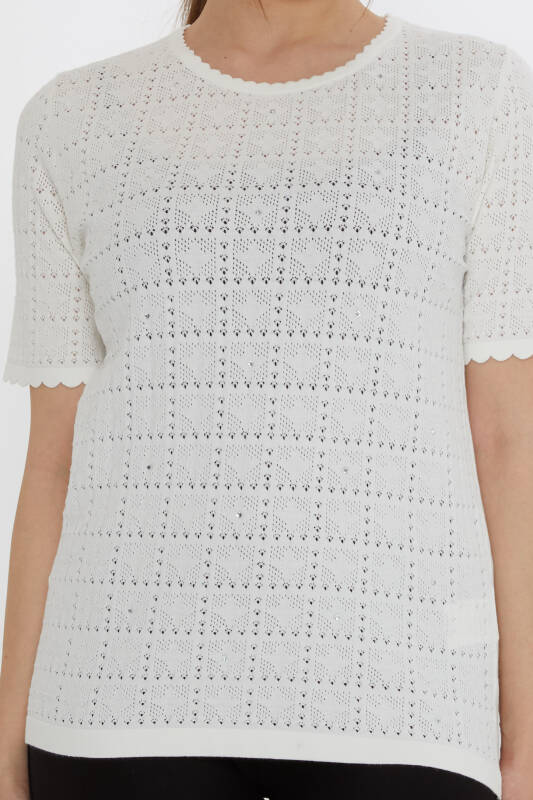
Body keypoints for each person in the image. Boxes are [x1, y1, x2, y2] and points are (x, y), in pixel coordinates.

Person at [1, 0, 533, 798]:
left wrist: (525, 728)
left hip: (405, 703)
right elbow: (53, 461)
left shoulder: (476, 90)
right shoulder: (70, 119)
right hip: (110, 701)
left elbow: (507, 437)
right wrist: (6, 748)